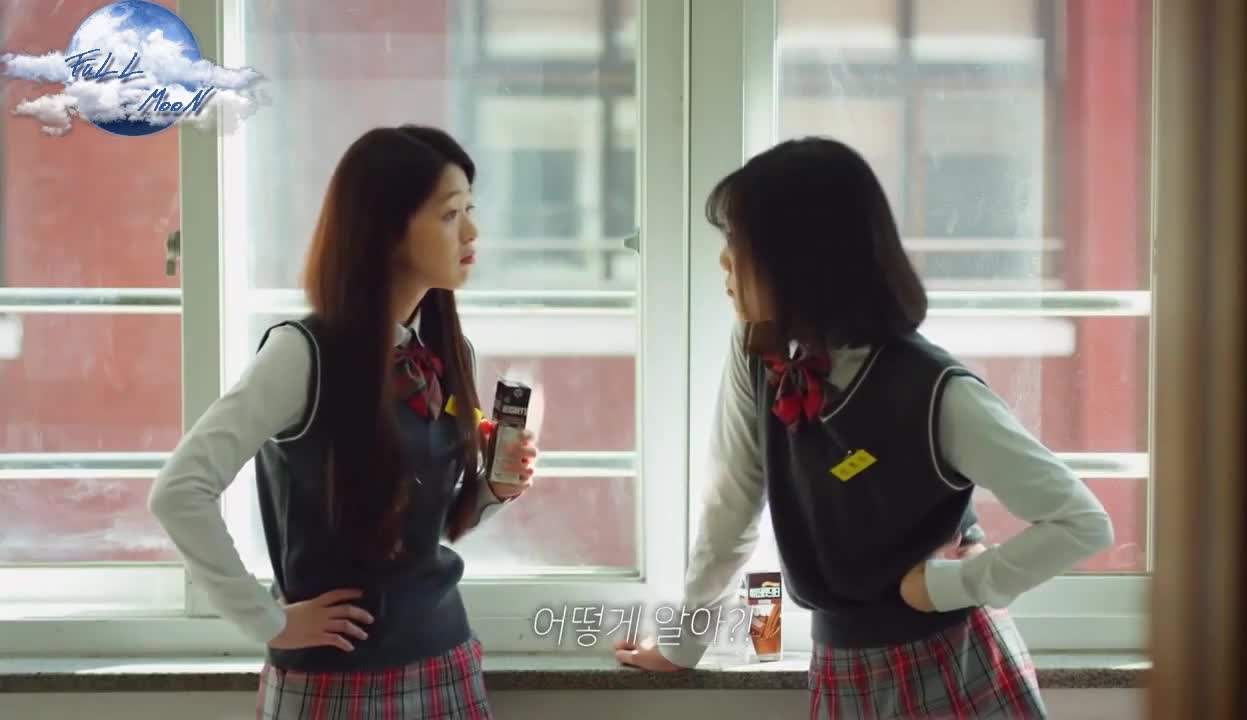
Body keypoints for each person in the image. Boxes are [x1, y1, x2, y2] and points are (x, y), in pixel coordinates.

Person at [614, 137, 1114, 719]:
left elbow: (1082, 523)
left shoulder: (934, 390)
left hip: (954, 662)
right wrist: (683, 643)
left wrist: (951, 586)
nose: (724, 262)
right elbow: (732, 501)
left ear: (804, 259)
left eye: (739, 242)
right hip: (843, 669)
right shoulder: (760, 349)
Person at [149, 125, 537, 719]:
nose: (471, 232)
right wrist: (267, 620)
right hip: (334, 682)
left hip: (446, 661)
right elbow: (178, 491)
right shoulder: (302, 354)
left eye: (470, 211)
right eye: (449, 214)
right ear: (385, 229)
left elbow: (418, 527)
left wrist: (491, 490)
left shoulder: (445, 351)